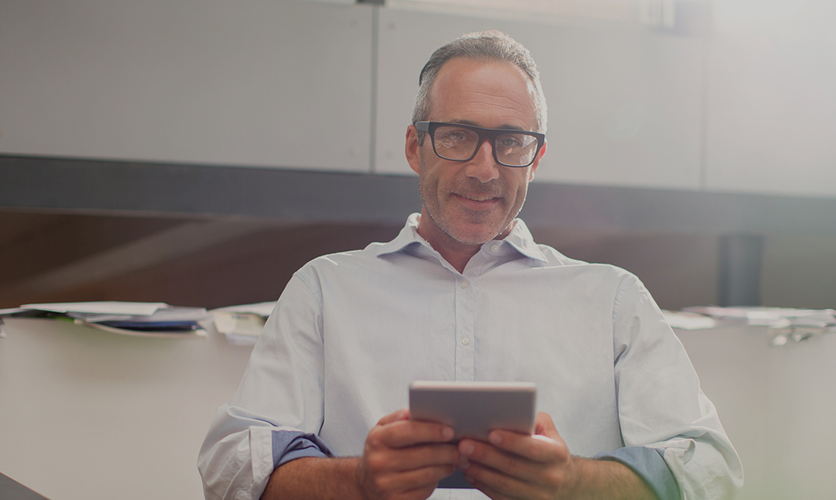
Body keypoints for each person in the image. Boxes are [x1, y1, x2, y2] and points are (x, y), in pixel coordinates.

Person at [198, 30, 742, 500]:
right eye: (458, 136)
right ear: (416, 147)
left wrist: (574, 482)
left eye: (510, 142)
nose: (485, 170)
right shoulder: (323, 290)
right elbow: (233, 467)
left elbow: (710, 471)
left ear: (537, 159)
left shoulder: (613, 300)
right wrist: (359, 483)